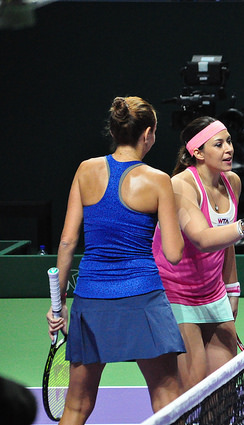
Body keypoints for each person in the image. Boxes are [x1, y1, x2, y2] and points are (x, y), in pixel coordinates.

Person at [46, 96, 185, 425]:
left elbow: (67, 241)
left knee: (77, 405)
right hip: (143, 300)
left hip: (91, 301)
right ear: (148, 133)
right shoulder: (158, 180)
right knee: (169, 397)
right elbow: (174, 253)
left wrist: (57, 304)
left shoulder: (85, 171)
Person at [152, 116, 244, 391]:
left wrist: (232, 290)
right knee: (191, 390)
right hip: (176, 295)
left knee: (224, 387)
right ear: (197, 152)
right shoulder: (181, 186)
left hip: (213, 293)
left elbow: (225, 242)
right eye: (219, 144)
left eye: (229, 141)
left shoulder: (233, 182)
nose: (228, 149)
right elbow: (204, 239)